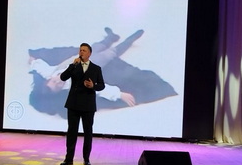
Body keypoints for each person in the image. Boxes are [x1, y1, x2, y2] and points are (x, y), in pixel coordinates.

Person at [28, 28, 177, 118]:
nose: (58, 82)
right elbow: (99, 88)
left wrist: (33, 60)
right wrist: (119, 94)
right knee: (111, 53)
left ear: (49, 79)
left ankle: (111, 37)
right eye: (58, 86)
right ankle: (130, 40)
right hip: (95, 62)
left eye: (54, 81)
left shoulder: (50, 73)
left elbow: (40, 67)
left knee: (96, 46)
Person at [59, 42, 105, 165]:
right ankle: (69, 159)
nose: (81, 52)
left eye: (84, 50)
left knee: (88, 132)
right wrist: (72, 66)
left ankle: (86, 158)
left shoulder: (96, 68)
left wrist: (93, 86)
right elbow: (63, 77)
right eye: (80, 50)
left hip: (88, 105)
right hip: (73, 103)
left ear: (89, 53)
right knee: (71, 132)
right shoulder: (74, 66)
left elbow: (102, 85)